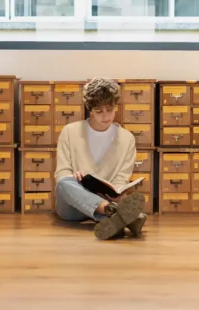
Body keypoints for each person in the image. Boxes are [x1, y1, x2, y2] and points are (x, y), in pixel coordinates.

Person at [54, 78, 147, 240]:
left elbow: (121, 178)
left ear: (115, 107)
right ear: (90, 110)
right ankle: (119, 214)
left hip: (105, 198)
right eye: (99, 111)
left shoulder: (127, 138)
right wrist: (72, 177)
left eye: (109, 109)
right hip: (71, 205)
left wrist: (116, 193)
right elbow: (61, 172)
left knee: (111, 210)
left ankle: (111, 214)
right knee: (64, 182)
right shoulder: (69, 131)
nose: (105, 116)